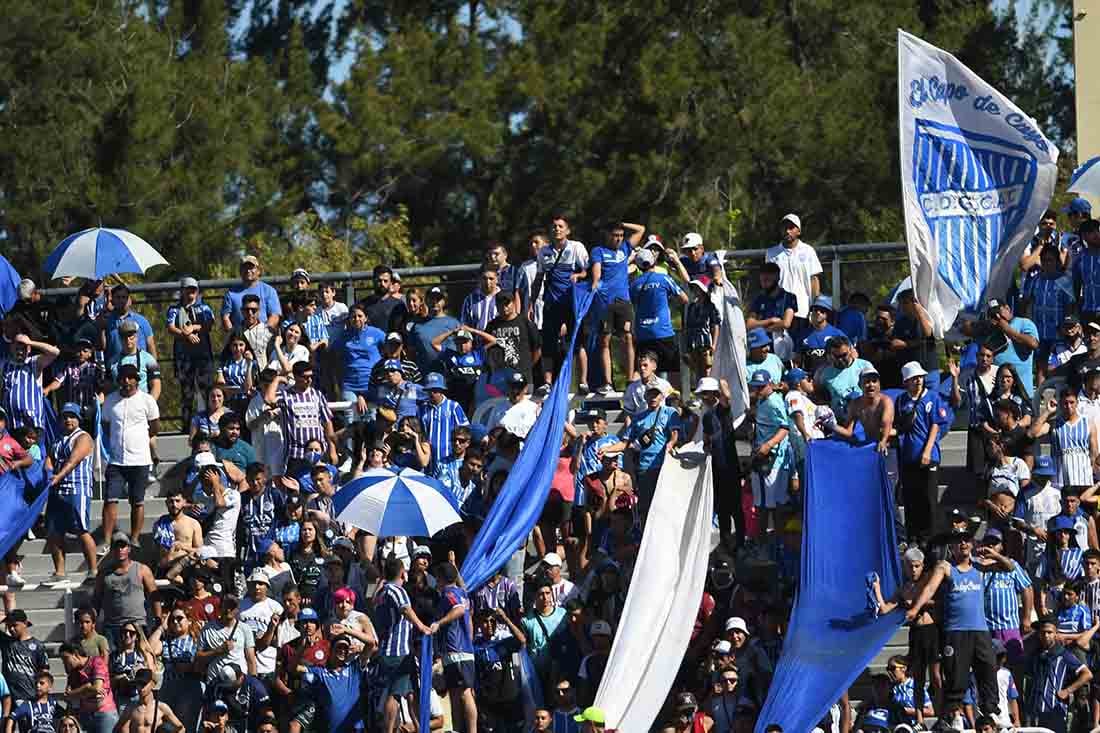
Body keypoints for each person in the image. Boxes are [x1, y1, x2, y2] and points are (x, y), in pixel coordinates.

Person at [906, 527, 1014, 716]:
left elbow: (1009, 567)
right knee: (956, 677)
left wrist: (994, 555)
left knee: (988, 671)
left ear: (972, 544)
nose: (963, 543)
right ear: (952, 547)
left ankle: (991, 715)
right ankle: (953, 716)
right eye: (958, 541)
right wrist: (915, 608)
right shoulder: (945, 567)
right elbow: (930, 589)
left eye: (966, 540)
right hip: (956, 631)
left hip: (980, 630)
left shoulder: (980, 565)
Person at [101, 363, 160, 547]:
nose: (126, 381)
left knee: (137, 501)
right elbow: (105, 425)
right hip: (116, 460)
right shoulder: (110, 400)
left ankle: (135, 537)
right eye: (123, 378)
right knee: (110, 499)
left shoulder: (147, 400)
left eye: (130, 377)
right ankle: (107, 539)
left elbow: (155, 426)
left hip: (140, 459)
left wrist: (139, 439)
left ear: (136, 379)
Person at [531, 214, 590, 391]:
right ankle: (547, 382)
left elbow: (589, 270)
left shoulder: (576, 248)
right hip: (551, 303)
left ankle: (583, 382)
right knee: (547, 344)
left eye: (560, 226)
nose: (557, 229)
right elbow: (538, 279)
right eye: (554, 226)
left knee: (578, 343)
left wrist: (579, 275)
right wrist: (531, 303)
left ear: (568, 230)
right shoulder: (544, 252)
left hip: (571, 303)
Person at [603, 383, 681, 518]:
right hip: (645, 468)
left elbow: (675, 435)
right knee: (646, 507)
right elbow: (625, 443)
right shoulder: (638, 418)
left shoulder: (669, 412)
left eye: (656, 395)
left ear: (662, 396)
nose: (653, 398)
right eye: (650, 394)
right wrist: (607, 449)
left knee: (666, 506)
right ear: (645, 396)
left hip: (664, 467)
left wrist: (670, 445)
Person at [895, 362, 950, 543]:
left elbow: (936, 424)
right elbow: (899, 426)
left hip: (928, 456)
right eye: (914, 378)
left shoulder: (932, 397)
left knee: (929, 500)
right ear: (906, 381)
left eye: (920, 377)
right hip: (908, 456)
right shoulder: (901, 400)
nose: (918, 381)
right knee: (911, 499)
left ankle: (931, 540)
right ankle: (914, 538)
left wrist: (927, 451)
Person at [44, 402, 98, 584]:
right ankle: (59, 571)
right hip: (57, 489)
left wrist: (57, 476)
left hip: (77, 488)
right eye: (65, 416)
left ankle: (93, 569)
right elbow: (49, 459)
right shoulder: (57, 440)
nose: (68, 419)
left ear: (78, 419)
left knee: (81, 529)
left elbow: (73, 460)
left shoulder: (83, 437)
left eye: (72, 416)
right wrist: (48, 472)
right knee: (54, 532)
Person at [589, 221, 643, 394]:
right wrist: (595, 283)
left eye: (621, 235)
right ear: (607, 236)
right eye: (615, 235)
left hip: (623, 301)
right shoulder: (598, 251)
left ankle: (630, 380)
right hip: (605, 301)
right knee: (605, 340)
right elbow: (596, 272)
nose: (619, 239)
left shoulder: (625, 248)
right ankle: (607, 382)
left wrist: (622, 224)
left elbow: (641, 229)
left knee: (628, 337)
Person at [265, 362, 338, 476]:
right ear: (295, 376)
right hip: (296, 455)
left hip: (318, 453)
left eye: (311, 377)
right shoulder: (286, 395)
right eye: (305, 377)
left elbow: (327, 422)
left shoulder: (317, 395)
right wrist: (277, 379)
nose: (309, 380)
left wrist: (332, 449)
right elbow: (269, 399)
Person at [1023, 616, 1092, 732]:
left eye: (1049, 632)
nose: (1046, 635)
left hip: (1054, 712)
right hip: (1034, 713)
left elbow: (1087, 674)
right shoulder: (1035, 656)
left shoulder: (1064, 655)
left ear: (1056, 634)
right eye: (1043, 632)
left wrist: (1068, 691)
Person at [629, 248, 688, 380]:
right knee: (673, 370)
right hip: (663, 332)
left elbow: (631, 303)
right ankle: (675, 398)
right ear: (654, 262)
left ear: (638, 265)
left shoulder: (634, 285)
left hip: (643, 334)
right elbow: (684, 299)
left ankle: (636, 397)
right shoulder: (663, 279)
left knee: (643, 369)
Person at [94, 532, 160, 648]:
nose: (120, 549)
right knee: (114, 662)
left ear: (129, 549)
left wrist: (158, 619)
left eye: (123, 546)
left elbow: (155, 597)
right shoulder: (103, 574)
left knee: (141, 659)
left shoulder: (142, 569)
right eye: (116, 546)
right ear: (111, 549)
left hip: (137, 624)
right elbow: (96, 600)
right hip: (112, 626)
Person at [745, 370, 791, 528]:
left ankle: (770, 544)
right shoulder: (761, 401)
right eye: (756, 387)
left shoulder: (774, 402)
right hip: (762, 455)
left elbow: (785, 428)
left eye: (761, 387)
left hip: (772, 459)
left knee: (768, 506)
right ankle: (771, 544)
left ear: (770, 384)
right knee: (767, 504)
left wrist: (768, 445)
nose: (758, 390)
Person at [1028, 388, 1099, 489]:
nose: (1069, 406)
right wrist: (1047, 412)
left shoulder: (1088, 423)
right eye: (1065, 403)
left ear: (1077, 402)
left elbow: (1094, 454)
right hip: (1060, 483)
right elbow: (1031, 433)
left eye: (1072, 402)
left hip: (1083, 480)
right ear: (1060, 404)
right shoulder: (1053, 424)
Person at [474, 606, 529, 733]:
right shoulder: (476, 648)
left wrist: (505, 619)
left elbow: (522, 640)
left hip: (511, 699)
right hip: (490, 703)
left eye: (492, 621)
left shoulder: (504, 643)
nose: (489, 625)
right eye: (485, 621)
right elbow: (475, 678)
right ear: (479, 625)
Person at [332, 303, 386, 424]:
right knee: (351, 419)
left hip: (370, 385)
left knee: (370, 419)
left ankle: (368, 443)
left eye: (360, 316)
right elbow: (333, 353)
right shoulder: (344, 336)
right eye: (353, 316)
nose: (357, 319)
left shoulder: (376, 333)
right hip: (350, 385)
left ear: (366, 318)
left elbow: (392, 345)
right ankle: (351, 443)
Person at [765, 213, 822, 327]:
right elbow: (768, 282)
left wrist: (815, 306)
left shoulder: (808, 251)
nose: (787, 231)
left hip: (803, 311)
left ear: (799, 231)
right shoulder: (771, 253)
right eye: (785, 228)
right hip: (778, 312)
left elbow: (814, 279)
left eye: (791, 228)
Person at [0, 333, 58, 435]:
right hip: (11, 424)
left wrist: (30, 342)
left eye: (24, 347)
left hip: (32, 425)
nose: (20, 351)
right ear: (11, 347)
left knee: (34, 451)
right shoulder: (4, 364)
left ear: (29, 349)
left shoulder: (34, 362)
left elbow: (55, 352)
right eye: (17, 347)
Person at [485, 291, 542, 388]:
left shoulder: (525, 323)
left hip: (523, 379)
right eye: (500, 304)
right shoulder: (492, 326)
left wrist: (527, 366)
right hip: (499, 379)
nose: (504, 307)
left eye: (507, 303)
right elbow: (485, 349)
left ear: (514, 303)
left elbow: (537, 350)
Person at [60, 642, 118, 733]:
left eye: (66, 658)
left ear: (75, 654)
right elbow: (67, 695)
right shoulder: (73, 673)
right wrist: (87, 687)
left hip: (104, 714)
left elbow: (97, 688)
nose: (64, 662)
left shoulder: (97, 661)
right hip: (85, 714)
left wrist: (79, 692)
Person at [418, 372, 469, 475]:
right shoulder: (422, 409)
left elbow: (465, 431)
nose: (432, 393)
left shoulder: (453, 406)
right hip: (429, 460)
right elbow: (421, 434)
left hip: (450, 459)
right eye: (429, 390)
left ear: (442, 391)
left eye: (435, 390)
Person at [199, 597, 258, 685]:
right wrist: (218, 651)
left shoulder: (245, 629)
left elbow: (251, 659)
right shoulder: (207, 629)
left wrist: (253, 683)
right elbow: (199, 657)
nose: (228, 610)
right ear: (220, 607)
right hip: (215, 682)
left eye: (232, 607)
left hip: (238, 683)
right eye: (226, 606)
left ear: (238, 609)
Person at [747, 262, 797, 363]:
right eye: (762, 280)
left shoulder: (788, 297)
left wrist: (760, 326)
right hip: (763, 350)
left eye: (767, 280)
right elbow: (749, 324)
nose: (764, 283)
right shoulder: (759, 299)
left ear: (777, 277)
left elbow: (786, 323)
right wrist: (771, 320)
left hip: (782, 350)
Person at [0, 610, 50, 707]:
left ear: (25, 623)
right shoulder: (6, 642)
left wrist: (42, 696)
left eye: (15, 625)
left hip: (30, 697)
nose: (11, 629)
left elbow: (45, 673)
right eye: (8, 626)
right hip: (8, 698)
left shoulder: (37, 646)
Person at [410, 286, 462, 375]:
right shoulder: (417, 326)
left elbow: (463, 349)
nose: (434, 302)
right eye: (431, 299)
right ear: (425, 301)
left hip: (451, 375)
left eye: (438, 299)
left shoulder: (455, 323)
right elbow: (411, 352)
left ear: (444, 301)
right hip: (425, 375)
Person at [99, 284, 157, 363]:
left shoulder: (141, 321)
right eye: (118, 297)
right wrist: (102, 328)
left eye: (124, 297)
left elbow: (150, 345)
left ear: (130, 300)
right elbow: (102, 347)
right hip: (115, 368)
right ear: (113, 300)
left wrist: (154, 370)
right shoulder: (107, 321)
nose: (121, 300)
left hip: (139, 368)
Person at [222, 255, 282, 331]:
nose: (248, 270)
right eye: (245, 267)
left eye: (251, 267)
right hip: (239, 338)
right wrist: (234, 335)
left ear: (258, 271)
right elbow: (225, 317)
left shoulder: (269, 291)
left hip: (262, 336)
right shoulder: (231, 293)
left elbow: (274, 316)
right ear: (240, 271)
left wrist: (263, 333)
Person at [116, 669, 184, 733]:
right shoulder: (131, 708)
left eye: (143, 684)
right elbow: (119, 728)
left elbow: (181, 728)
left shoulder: (161, 708)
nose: (140, 688)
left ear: (153, 684)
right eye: (137, 684)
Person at [110, 320, 162, 399]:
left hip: (141, 407)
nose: (128, 340)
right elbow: (108, 387)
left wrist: (149, 406)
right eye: (124, 336)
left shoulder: (149, 359)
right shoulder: (113, 361)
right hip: (119, 406)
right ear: (120, 338)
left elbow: (156, 386)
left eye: (131, 335)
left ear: (136, 336)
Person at [1073, 219, 1100, 321]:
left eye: (1098, 230)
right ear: (1084, 236)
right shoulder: (1080, 258)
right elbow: (1076, 284)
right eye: (1091, 232)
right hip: (1088, 311)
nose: (1096, 234)